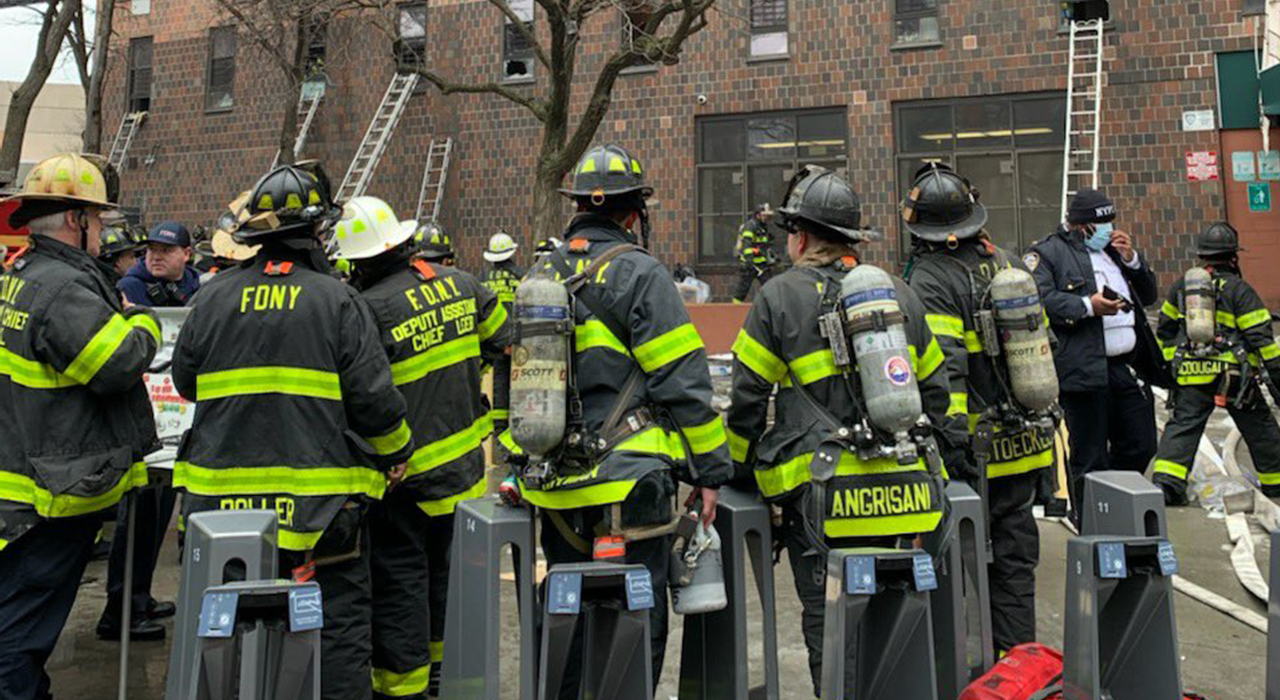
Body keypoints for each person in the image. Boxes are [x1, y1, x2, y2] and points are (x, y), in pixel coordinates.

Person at [172, 165, 415, 700]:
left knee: (222, 637)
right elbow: (374, 401)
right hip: (320, 516)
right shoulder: (338, 301)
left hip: (223, 517)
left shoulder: (210, 299)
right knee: (335, 632)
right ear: (317, 232)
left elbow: (186, 384)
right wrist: (397, 454)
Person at [503, 144, 730, 698]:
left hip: (556, 491)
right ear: (634, 214)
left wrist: (515, 465)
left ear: (578, 206)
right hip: (631, 488)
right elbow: (683, 381)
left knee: (566, 615)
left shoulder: (540, 273)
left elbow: (518, 381)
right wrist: (709, 473)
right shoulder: (641, 273)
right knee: (635, 616)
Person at [726, 165, 953, 697]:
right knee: (898, 621)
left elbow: (746, 400)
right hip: (907, 494)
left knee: (831, 626)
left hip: (824, 502)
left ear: (801, 236)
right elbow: (938, 393)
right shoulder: (898, 293)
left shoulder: (778, 297)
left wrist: (736, 469)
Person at [332, 196, 509, 699]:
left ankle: (402, 688)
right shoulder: (463, 284)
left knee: (401, 586)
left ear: (357, 262)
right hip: (465, 472)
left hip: (403, 479)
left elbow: (362, 395)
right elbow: (505, 339)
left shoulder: (366, 309)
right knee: (445, 578)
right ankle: (444, 675)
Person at [0, 153, 160, 700]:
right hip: (50, 496)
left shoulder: (19, 276)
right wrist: (138, 319)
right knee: (19, 637)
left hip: (20, 481)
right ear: (77, 221)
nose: (106, 233)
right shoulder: (63, 289)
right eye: (101, 221)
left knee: (17, 623)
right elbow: (117, 363)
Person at [902, 163, 1052, 655]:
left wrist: (951, 446)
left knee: (951, 569)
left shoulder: (930, 278)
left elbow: (946, 373)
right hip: (1026, 445)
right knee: (1014, 566)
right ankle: (1018, 668)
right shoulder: (1007, 264)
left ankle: (959, 673)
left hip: (973, 456)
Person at [1027, 188, 1167, 521]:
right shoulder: (1048, 254)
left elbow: (1148, 295)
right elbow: (1039, 297)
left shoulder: (1114, 252)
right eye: (1099, 224)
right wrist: (1088, 306)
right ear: (1079, 226)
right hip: (1082, 368)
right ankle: (1092, 519)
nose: (1107, 230)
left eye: (1110, 223)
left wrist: (1133, 259)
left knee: (1141, 443)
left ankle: (1115, 497)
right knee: (1088, 454)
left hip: (1126, 367)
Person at [1153, 222, 1280, 504]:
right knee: (1260, 428)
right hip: (1233, 377)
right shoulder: (1240, 290)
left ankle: (1166, 486)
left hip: (1190, 375)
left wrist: (1173, 371)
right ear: (1233, 256)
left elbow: (1164, 332)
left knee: (1182, 427)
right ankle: (1276, 486)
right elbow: (1263, 341)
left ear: (1202, 256)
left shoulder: (1180, 289)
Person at [481, 230, 524, 436]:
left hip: (492, 339)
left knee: (497, 382)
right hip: (519, 340)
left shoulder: (482, 279)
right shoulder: (522, 276)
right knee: (518, 381)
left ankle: (499, 429)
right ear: (512, 252)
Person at [118, 221, 201, 307]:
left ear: (186, 254)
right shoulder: (129, 288)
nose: (156, 257)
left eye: (166, 250)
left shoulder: (198, 286)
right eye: (152, 249)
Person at [731, 204, 777, 303]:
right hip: (750, 264)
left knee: (770, 287)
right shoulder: (750, 227)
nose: (767, 217)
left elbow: (763, 245)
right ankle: (734, 309)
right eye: (764, 215)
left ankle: (772, 309)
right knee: (742, 289)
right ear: (758, 215)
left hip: (762, 264)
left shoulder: (763, 227)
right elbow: (747, 246)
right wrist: (749, 261)